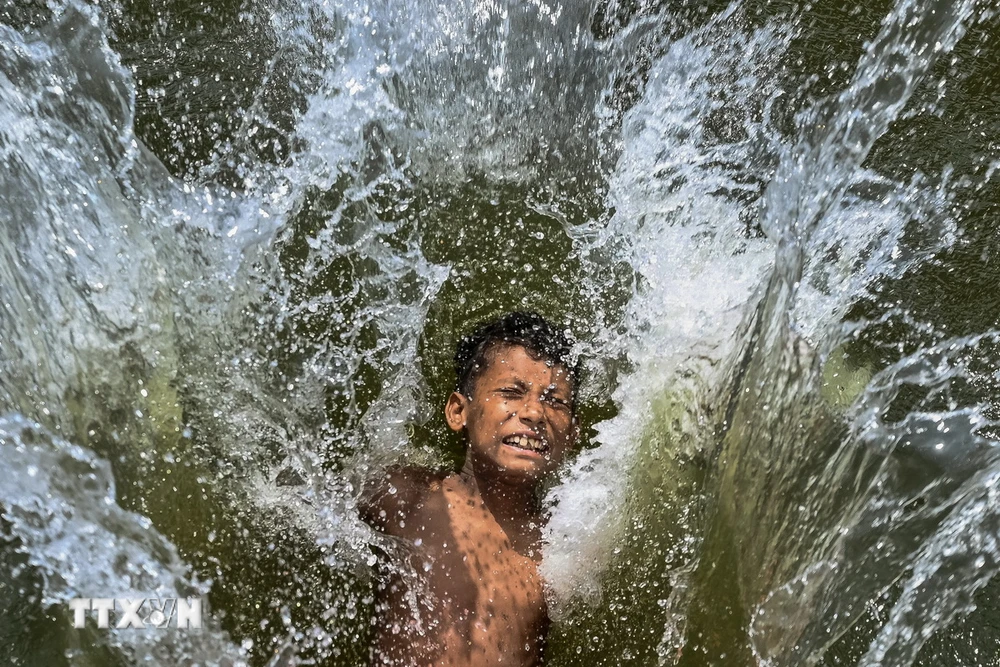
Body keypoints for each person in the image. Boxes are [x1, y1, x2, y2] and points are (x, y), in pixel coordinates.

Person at [359, 312, 580, 666]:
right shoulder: (412, 498)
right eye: (511, 391)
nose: (535, 412)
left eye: (555, 401)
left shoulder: (564, 543)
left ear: (572, 433)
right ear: (458, 411)